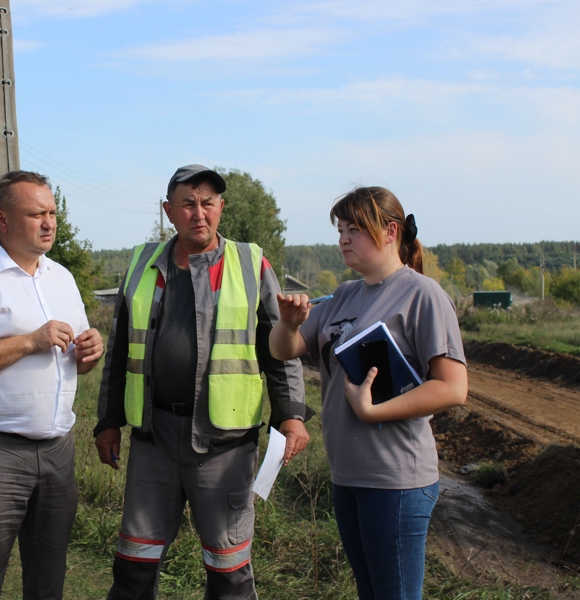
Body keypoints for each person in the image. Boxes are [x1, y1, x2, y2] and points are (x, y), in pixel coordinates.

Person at [94, 164, 313, 600]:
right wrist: (107, 421)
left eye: (208, 203)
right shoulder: (141, 263)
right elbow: (120, 349)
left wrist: (291, 415)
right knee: (134, 564)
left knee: (228, 569)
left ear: (221, 208)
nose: (200, 213)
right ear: (168, 211)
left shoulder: (250, 263)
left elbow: (279, 347)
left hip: (224, 446)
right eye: (188, 204)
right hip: (154, 438)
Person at [269, 186, 469, 600]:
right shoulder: (343, 295)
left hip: (397, 479)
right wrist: (288, 323)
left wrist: (373, 411)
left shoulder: (422, 295)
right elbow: (283, 350)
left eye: (355, 229)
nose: (343, 238)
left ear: (391, 231)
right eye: (340, 229)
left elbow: (453, 388)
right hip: (348, 476)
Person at [0, 170, 104, 600]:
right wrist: (30, 341)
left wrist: (89, 352)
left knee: (49, 581)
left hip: (57, 451)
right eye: (35, 214)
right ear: (2, 219)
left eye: (52, 212)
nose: (48, 223)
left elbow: (74, 362)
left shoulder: (61, 279)